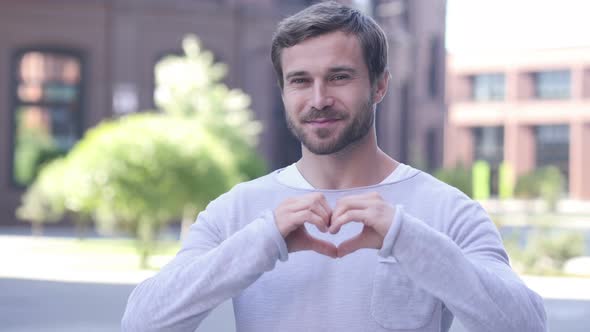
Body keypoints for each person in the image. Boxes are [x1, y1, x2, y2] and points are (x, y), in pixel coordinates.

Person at [121, 2, 547, 331]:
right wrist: (261, 241)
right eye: (300, 80)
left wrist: (407, 239)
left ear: (379, 85)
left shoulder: (449, 211)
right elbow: (143, 322)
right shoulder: (236, 211)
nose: (319, 98)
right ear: (284, 91)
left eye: (340, 77)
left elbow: (526, 325)